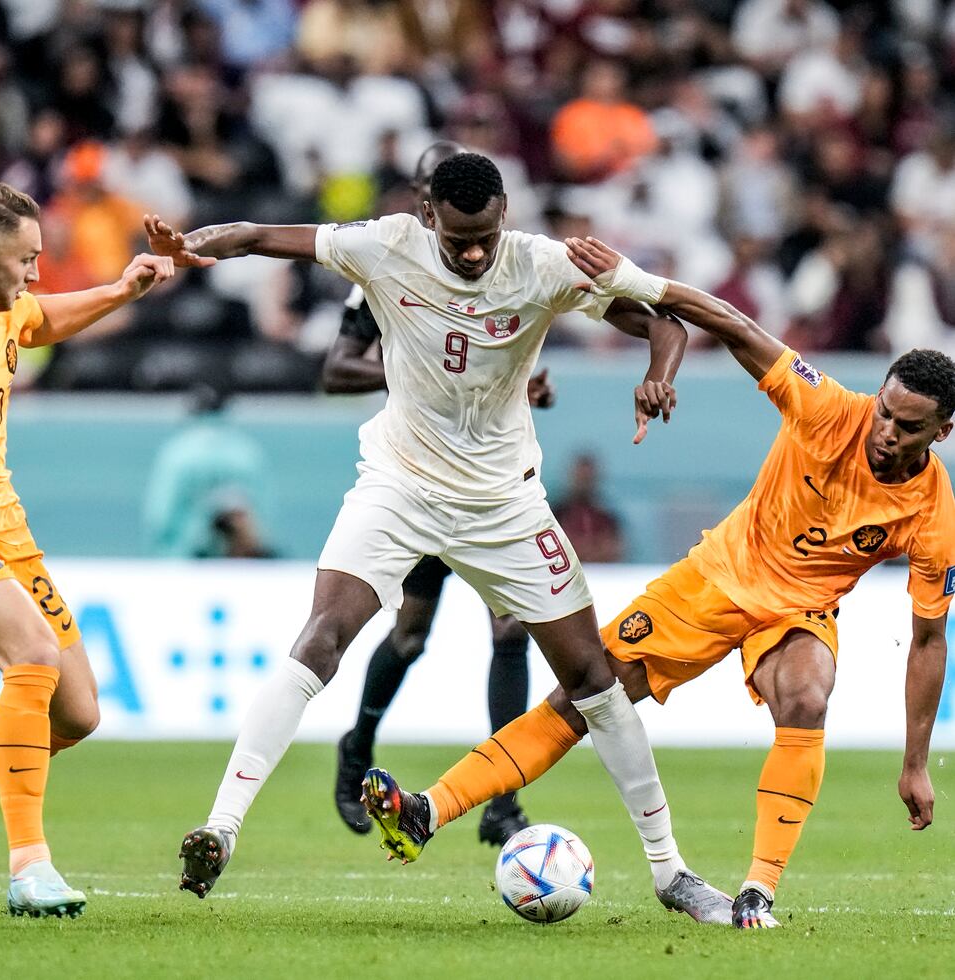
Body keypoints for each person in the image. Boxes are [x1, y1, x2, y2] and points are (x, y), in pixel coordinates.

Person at [146, 151, 733, 923]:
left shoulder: (540, 263)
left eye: (487, 235)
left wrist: (659, 372)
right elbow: (259, 234)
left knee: (594, 677)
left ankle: (670, 872)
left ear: (504, 216)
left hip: (504, 505)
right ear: (429, 217)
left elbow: (662, 320)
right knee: (324, 635)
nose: (475, 253)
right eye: (460, 239)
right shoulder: (384, 245)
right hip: (400, 485)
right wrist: (194, 244)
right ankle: (220, 829)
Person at [368, 234, 955, 931]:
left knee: (806, 695)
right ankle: (428, 812)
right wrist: (636, 280)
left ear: (942, 431)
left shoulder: (933, 514)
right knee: (582, 700)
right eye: (886, 410)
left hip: (796, 611)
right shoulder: (831, 410)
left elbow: (927, 639)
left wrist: (915, 763)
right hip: (711, 582)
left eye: (906, 425)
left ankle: (758, 892)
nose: (884, 430)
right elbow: (736, 326)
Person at [324, 141, 552, 846]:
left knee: (510, 630)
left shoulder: (506, 270)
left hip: (490, 481)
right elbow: (335, 369)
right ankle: (355, 748)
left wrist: (525, 384)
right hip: (419, 478)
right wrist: (416, 372)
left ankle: (503, 797)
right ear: (421, 204)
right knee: (411, 633)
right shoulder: (383, 274)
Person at [0, 181, 174, 917]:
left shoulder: (0, 311)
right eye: (26, 260)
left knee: (78, 713)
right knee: (30, 654)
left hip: (7, 533)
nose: (34, 274)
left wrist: (123, 289)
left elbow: (41, 318)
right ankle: (30, 867)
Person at [143, 383, 276, 559]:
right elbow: (264, 515)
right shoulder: (247, 451)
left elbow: (160, 517)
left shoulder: (177, 452)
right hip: (241, 566)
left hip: (186, 562)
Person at [552, 451, 625, 563]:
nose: (584, 483)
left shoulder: (606, 516)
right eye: (581, 477)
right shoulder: (557, 514)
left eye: (588, 478)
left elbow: (616, 549)